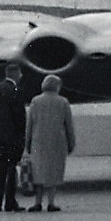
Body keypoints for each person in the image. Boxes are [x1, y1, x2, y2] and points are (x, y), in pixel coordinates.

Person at [24, 74, 75, 212]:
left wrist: (27, 143)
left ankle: (37, 202)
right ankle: (51, 202)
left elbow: (29, 124)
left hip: (38, 141)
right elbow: (68, 125)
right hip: (57, 141)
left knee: (38, 172)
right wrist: (71, 143)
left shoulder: (35, 101)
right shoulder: (63, 102)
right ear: (57, 86)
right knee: (54, 172)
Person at [0, 64, 28, 212]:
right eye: (20, 73)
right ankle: (10, 202)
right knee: (11, 170)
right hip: (12, 137)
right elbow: (19, 117)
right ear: (16, 74)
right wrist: (23, 135)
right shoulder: (15, 90)